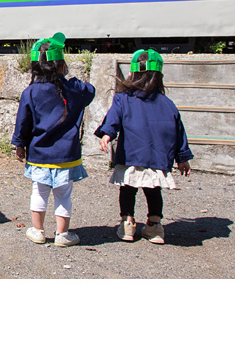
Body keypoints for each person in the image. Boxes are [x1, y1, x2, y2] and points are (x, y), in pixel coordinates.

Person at [95, 49, 193, 244]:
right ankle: (154, 226)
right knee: (153, 190)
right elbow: (178, 132)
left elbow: (113, 119)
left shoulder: (123, 99)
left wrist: (107, 135)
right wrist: (182, 158)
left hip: (131, 154)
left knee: (128, 189)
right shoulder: (167, 103)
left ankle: (127, 224)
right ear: (158, 76)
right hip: (157, 157)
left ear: (132, 73)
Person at [11, 33, 95, 247]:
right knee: (63, 195)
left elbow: (23, 122)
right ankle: (62, 235)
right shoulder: (74, 89)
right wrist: (71, 80)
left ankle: (38, 231)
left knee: (39, 192)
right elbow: (90, 91)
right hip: (67, 156)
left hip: (40, 154)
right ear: (60, 65)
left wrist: (20, 144)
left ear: (35, 67)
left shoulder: (30, 92)